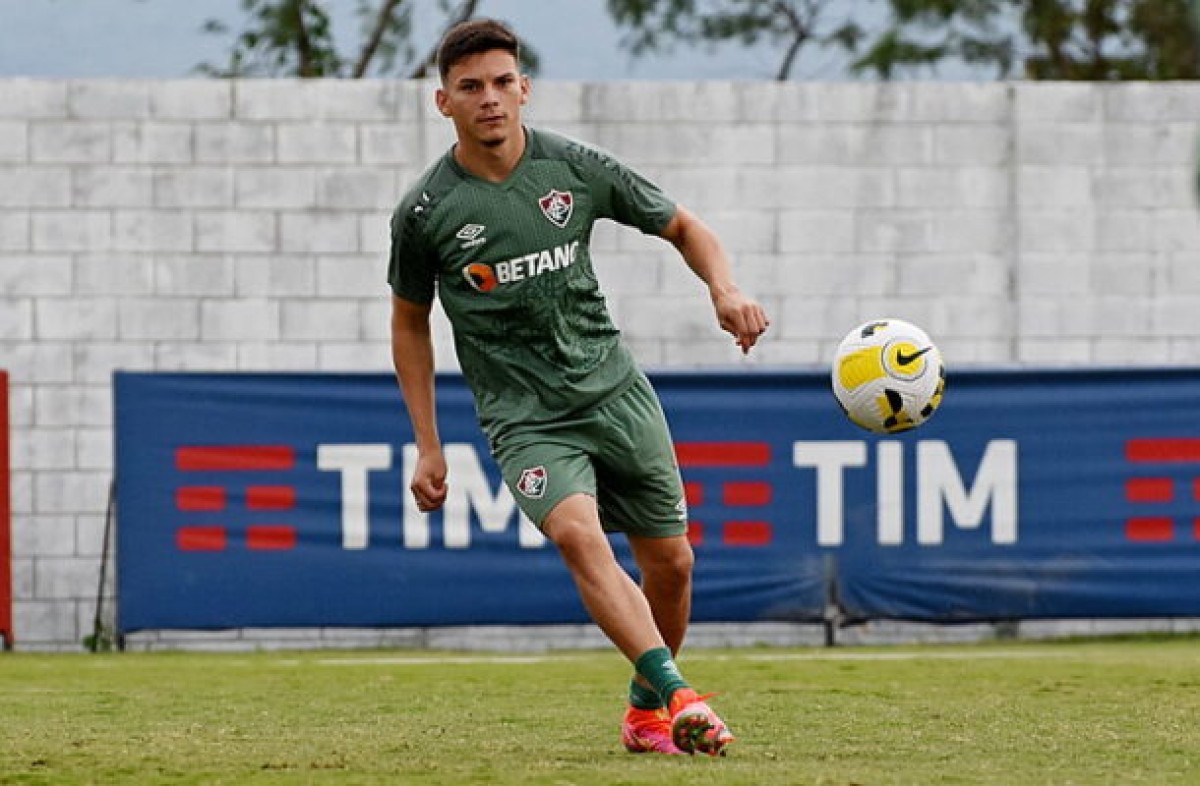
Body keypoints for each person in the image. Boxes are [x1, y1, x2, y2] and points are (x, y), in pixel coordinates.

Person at [387, 18, 769, 757]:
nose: (489, 99)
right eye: (471, 88)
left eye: (502, 83)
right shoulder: (426, 213)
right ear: (444, 103)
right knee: (576, 534)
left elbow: (686, 226)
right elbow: (409, 323)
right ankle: (680, 693)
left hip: (615, 392)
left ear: (524, 89)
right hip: (525, 417)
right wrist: (427, 446)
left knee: (673, 564)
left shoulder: (573, 168)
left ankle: (643, 712)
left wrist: (724, 290)